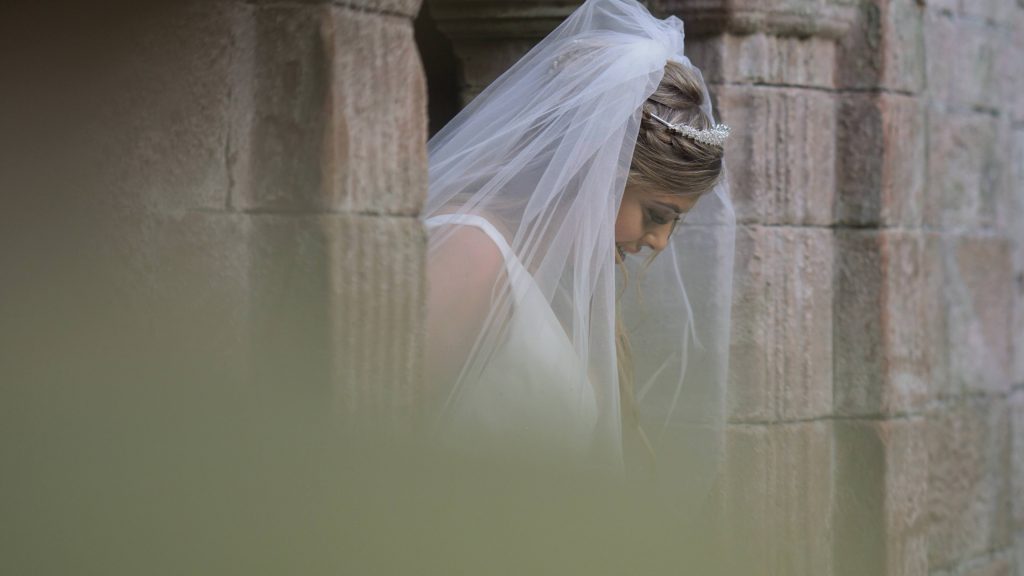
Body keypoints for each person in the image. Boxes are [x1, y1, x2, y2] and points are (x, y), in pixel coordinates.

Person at [421, 0, 734, 497]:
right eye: (657, 215)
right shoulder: (471, 251)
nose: (658, 242)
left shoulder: (554, 282)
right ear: (597, 173)